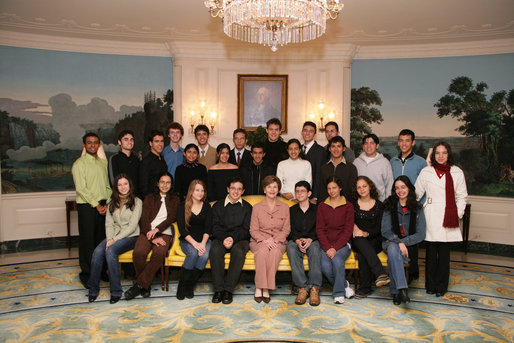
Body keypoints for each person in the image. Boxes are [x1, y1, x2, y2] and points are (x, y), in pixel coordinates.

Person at [415, 141, 467, 297]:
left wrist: (456, 214)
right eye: (437, 153)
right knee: (430, 253)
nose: (441, 156)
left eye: (444, 153)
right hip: (431, 214)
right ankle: (430, 285)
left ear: (448, 154)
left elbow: (461, 196)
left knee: (444, 254)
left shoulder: (457, 172)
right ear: (433, 155)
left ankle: (441, 286)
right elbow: (417, 193)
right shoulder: (426, 171)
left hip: (448, 215)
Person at [124, 172, 180, 300]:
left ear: (171, 185)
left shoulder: (175, 199)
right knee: (138, 253)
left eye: (168, 182)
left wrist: (157, 229)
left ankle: (139, 285)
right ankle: (145, 285)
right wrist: (152, 234)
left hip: (165, 232)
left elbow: (171, 218)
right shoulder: (150, 198)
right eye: (162, 182)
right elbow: (144, 219)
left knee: (158, 254)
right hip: (148, 231)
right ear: (157, 183)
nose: (165, 185)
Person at [87, 174, 142, 304]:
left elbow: (133, 226)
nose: (123, 187)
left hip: (131, 236)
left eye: (125, 184)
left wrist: (114, 240)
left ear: (130, 185)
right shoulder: (111, 202)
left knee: (110, 251)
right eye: (120, 184)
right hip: (114, 235)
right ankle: (93, 289)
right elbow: (109, 224)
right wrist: (109, 238)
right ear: (116, 187)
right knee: (97, 252)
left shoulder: (137, 201)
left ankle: (116, 291)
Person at [72, 132, 112, 288]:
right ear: (84, 145)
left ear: (99, 144)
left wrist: (107, 203)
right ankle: (87, 274)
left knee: (101, 241)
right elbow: (82, 189)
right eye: (89, 143)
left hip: (103, 205)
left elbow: (108, 186)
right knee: (88, 241)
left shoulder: (103, 163)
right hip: (87, 207)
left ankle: (102, 271)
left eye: (95, 142)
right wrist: (97, 205)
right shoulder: (79, 164)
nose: (93, 145)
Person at [381, 176, 426, 305]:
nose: (400, 190)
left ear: (409, 188)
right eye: (397, 188)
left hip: (409, 245)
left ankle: (396, 291)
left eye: (403, 187)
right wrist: (399, 242)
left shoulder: (418, 208)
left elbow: (420, 234)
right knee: (393, 248)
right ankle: (403, 288)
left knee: (394, 253)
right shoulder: (389, 205)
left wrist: (403, 242)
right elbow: (385, 231)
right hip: (389, 241)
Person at [390, 129, 427, 280]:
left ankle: (412, 272)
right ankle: (397, 268)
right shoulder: (392, 161)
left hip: (413, 205)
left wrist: (418, 204)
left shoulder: (421, 162)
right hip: (396, 205)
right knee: (397, 236)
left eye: (407, 140)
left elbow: (426, 185)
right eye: (401, 140)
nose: (404, 143)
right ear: (398, 142)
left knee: (412, 238)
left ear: (413, 142)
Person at [210, 177, 253, 304]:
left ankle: (228, 290)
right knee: (215, 250)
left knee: (239, 252)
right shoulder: (217, 206)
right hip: (221, 237)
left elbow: (247, 229)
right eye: (233, 188)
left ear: (243, 191)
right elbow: (214, 226)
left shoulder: (247, 207)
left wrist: (233, 238)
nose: (236, 191)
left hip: (240, 239)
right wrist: (224, 238)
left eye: (239, 189)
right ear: (228, 189)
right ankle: (218, 290)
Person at [250, 175, 291, 303]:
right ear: (264, 189)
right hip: (259, 241)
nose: (272, 190)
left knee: (273, 253)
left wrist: (276, 240)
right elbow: (253, 230)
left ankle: (266, 288)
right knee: (262, 252)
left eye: (275, 187)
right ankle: (259, 287)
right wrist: (264, 240)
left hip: (278, 241)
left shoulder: (285, 207)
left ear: (278, 189)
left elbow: (286, 229)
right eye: (269, 187)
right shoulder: (257, 207)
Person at [316, 177, 355, 304]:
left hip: (343, 244)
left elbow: (348, 230)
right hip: (326, 244)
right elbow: (320, 229)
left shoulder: (348, 206)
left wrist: (335, 248)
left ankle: (338, 294)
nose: (331, 191)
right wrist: (328, 247)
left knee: (337, 260)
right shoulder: (322, 206)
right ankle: (344, 285)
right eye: (329, 188)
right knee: (325, 266)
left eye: (334, 188)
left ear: (340, 188)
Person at [351, 176, 389, 299]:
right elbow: (348, 221)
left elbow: (379, 228)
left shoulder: (379, 205)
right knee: (361, 243)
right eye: (359, 187)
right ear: (356, 190)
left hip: (374, 238)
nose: (362, 189)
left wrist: (366, 233)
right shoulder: (352, 205)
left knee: (364, 252)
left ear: (370, 187)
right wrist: (354, 227)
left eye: (364, 186)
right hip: (358, 239)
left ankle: (365, 288)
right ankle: (381, 273)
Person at [286, 181, 321, 306]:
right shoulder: (291, 210)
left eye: (303, 191)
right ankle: (302, 287)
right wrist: (296, 240)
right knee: (290, 247)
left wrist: (310, 239)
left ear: (309, 193)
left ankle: (314, 288)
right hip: (296, 240)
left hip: (313, 240)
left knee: (316, 249)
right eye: (297, 191)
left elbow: (321, 229)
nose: (299, 193)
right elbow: (288, 229)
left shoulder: (317, 210)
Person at [176, 179, 212, 300]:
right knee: (192, 254)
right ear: (191, 191)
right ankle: (182, 285)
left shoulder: (207, 206)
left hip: (204, 240)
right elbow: (182, 229)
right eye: (197, 190)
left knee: (204, 255)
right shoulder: (182, 206)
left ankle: (189, 285)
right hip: (188, 240)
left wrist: (202, 243)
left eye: (202, 191)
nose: (200, 193)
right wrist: (195, 244)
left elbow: (208, 228)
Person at [353, 134, 394, 202]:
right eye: (366, 143)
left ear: (377, 146)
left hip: (380, 203)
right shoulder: (356, 162)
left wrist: (387, 203)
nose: (368, 146)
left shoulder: (384, 162)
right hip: (360, 204)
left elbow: (389, 185)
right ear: (363, 146)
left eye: (372, 143)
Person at [319, 136, 358, 202]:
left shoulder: (351, 168)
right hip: (327, 206)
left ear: (344, 149)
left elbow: (353, 192)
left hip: (345, 207)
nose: (336, 149)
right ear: (329, 149)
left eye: (339, 146)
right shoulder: (324, 168)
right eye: (333, 146)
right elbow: (322, 191)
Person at [301, 121, 326, 202]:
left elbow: (319, 174)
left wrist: (315, 196)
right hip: (299, 193)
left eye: (311, 131)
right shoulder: (298, 149)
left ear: (315, 134)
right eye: (305, 130)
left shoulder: (320, 150)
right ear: (302, 132)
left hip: (312, 195)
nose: (307, 133)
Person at [139, 130, 168, 199]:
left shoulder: (162, 160)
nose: (160, 144)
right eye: (157, 141)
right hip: (151, 202)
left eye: (162, 141)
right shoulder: (146, 162)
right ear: (150, 143)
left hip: (163, 199)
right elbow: (143, 188)